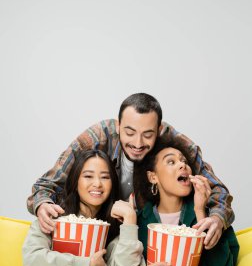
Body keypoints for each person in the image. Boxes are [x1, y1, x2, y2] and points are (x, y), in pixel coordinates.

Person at [27, 93, 234, 249]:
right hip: (92, 236)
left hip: (142, 242)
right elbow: (46, 185)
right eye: (130, 132)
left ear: (159, 129)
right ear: (118, 126)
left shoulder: (176, 143)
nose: (137, 143)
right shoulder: (98, 136)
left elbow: (218, 190)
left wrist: (217, 219)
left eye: (147, 135)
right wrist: (42, 204)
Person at [116, 139, 239, 266]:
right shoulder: (137, 224)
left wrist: (200, 212)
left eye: (184, 161)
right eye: (171, 161)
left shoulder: (207, 217)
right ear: (153, 177)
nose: (183, 164)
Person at [12, 149, 141, 266]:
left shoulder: (116, 230)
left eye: (105, 177)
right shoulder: (52, 217)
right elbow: (32, 260)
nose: (97, 184)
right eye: (88, 176)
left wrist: (129, 221)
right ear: (76, 181)